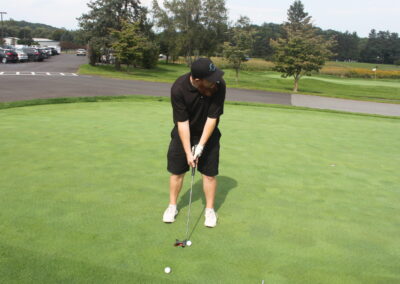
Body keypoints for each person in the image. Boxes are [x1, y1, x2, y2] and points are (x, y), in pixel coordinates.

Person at [163, 58, 226, 228]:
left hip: (208, 133)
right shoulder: (179, 88)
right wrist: (188, 152)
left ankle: (210, 210)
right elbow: (182, 123)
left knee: (209, 174)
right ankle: (172, 206)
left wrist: (201, 146)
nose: (215, 81)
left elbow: (213, 117)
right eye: (210, 79)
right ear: (197, 80)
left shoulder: (218, 85)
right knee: (177, 172)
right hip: (184, 132)